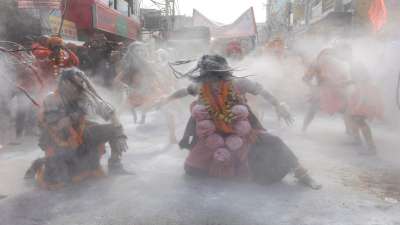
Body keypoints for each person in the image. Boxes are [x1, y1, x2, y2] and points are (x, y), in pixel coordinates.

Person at [158, 54, 321, 189]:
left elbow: (262, 91)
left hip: (241, 131)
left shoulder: (238, 83)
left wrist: (278, 104)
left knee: (275, 142)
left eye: (216, 76)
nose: (213, 81)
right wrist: (167, 99)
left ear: (223, 73)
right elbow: (183, 92)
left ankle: (301, 173)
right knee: (192, 170)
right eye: (209, 76)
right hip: (213, 135)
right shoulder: (201, 86)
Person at [24, 68, 130, 189]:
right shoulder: (52, 98)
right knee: (60, 178)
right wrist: (70, 118)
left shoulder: (85, 96)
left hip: (81, 135)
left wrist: (120, 134)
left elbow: (111, 112)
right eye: (71, 83)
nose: (74, 87)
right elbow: (56, 125)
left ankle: (115, 164)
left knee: (113, 130)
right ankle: (39, 163)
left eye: (78, 84)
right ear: (63, 82)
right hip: (59, 141)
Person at [346, 62, 383, 155]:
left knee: (360, 121)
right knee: (353, 119)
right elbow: (354, 84)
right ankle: (359, 140)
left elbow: (363, 93)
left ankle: (372, 148)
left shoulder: (361, 79)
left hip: (364, 101)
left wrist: (358, 106)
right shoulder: (361, 78)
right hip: (362, 100)